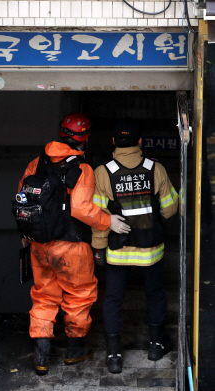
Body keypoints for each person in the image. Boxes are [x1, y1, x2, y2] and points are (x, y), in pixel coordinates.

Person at [18, 113, 129, 375]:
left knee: (44, 296)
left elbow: (23, 200)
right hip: (72, 246)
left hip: (40, 245)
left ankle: (42, 357)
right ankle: (74, 350)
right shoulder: (82, 168)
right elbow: (81, 209)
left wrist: (26, 236)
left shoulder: (37, 163)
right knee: (79, 297)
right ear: (86, 139)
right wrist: (107, 221)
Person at [92, 119, 178, 374]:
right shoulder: (156, 169)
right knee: (155, 294)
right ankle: (155, 345)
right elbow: (171, 207)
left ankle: (115, 356)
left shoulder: (102, 172)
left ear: (113, 142)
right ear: (141, 142)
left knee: (113, 299)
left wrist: (98, 247)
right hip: (150, 249)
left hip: (118, 251)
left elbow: (97, 214)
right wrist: (150, 219)